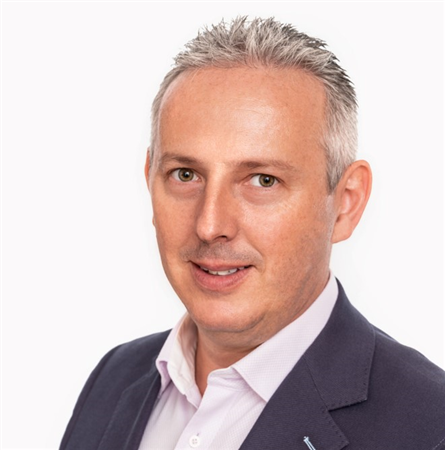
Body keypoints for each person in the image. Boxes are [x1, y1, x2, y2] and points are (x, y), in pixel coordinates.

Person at [60, 17, 445, 450]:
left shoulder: (430, 428)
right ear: (150, 179)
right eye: (185, 174)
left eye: (263, 180)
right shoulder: (113, 380)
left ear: (346, 203)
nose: (210, 225)